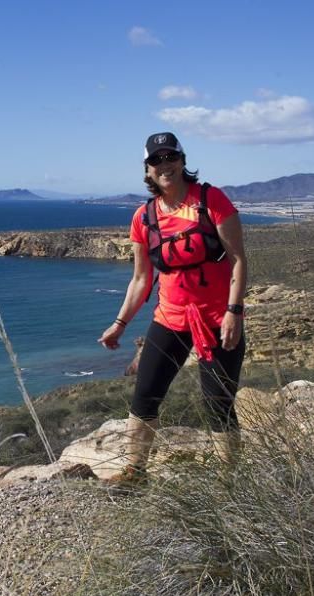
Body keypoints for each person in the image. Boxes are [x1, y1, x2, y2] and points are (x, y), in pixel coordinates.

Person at [98, 131, 247, 481]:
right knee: (144, 397)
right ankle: (135, 472)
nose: (164, 165)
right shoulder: (144, 217)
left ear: (182, 161)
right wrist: (119, 324)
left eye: (170, 157)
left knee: (218, 404)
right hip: (170, 319)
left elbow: (239, 259)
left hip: (216, 319)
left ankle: (232, 481)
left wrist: (233, 312)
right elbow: (140, 279)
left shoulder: (212, 200)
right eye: (156, 160)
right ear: (147, 170)